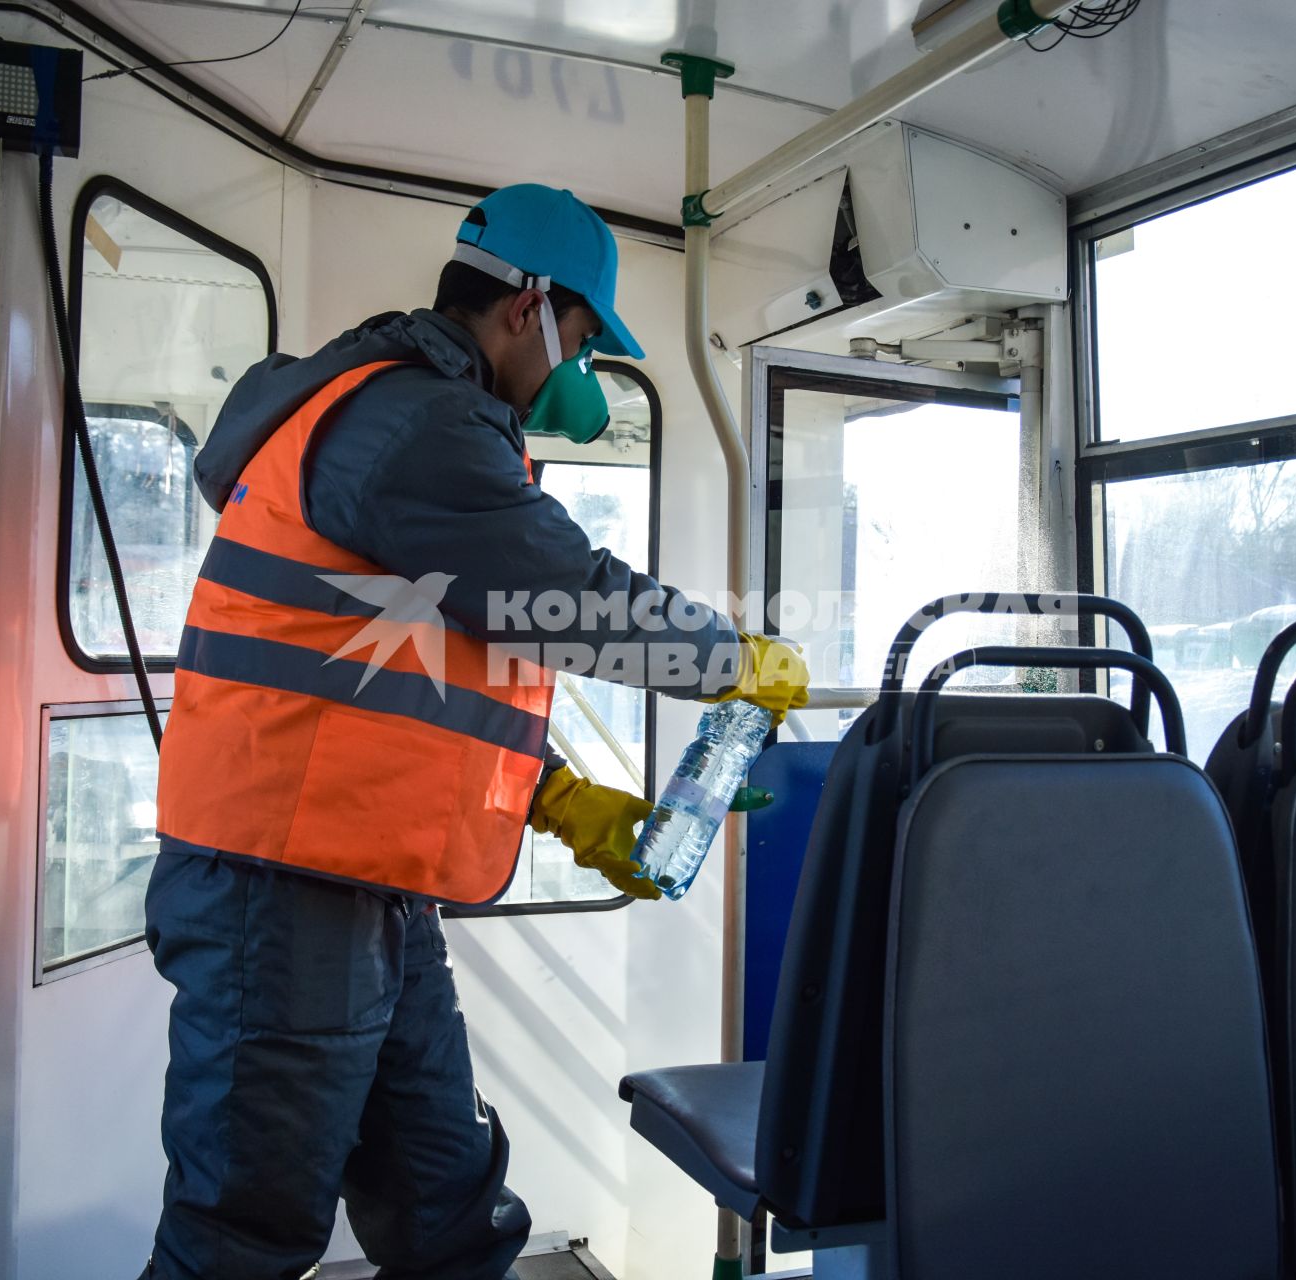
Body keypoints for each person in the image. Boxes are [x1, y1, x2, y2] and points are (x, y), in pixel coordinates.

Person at [140, 184, 808, 1280]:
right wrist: (731, 660)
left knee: (448, 1205)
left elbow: (421, 679)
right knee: (240, 1238)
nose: (575, 376)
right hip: (283, 891)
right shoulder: (415, 422)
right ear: (527, 309)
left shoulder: (416, 426)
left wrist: (558, 799)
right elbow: (562, 594)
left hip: (362, 886)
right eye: (583, 343)